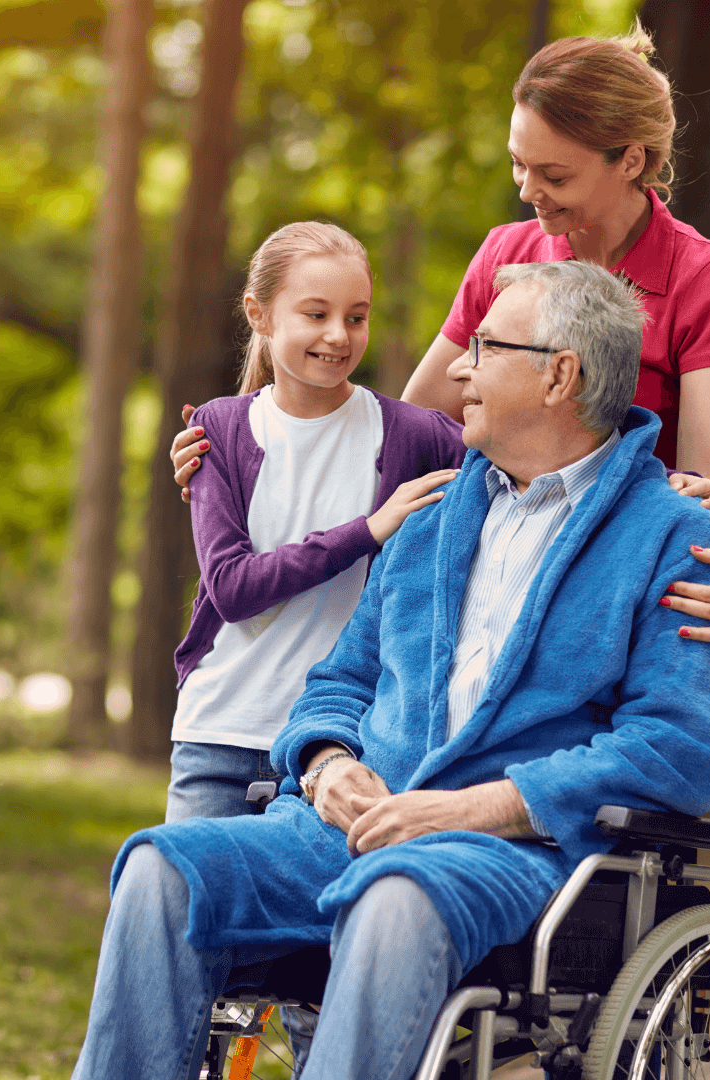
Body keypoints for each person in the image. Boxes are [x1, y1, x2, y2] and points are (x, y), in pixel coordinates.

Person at [71, 260, 710, 1080]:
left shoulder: (676, 536)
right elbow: (338, 682)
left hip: (514, 851)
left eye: (485, 346)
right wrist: (326, 764)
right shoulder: (432, 517)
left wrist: (475, 808)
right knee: (161, 870)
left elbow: (674, 749)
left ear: (559, 375)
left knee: (396, 894)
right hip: (346, 829)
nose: (457, 368)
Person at [172, 24, 710, 669]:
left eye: (554, 173)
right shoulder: (505, 254)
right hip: (497, 567)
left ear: (629, 158)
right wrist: (245, 444)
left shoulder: (704, 276)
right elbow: (409, 425)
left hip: (618, 573)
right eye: (518, 162)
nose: (526, 188)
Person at [163, 220, 462, 826]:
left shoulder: (411, 433)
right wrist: (369, 530)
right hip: (221, 734)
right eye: (315, 314)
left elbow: (531, 470)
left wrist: (660, 477)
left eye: (356, 317)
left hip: (339, 747)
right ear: (260, 315)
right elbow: (233, 588)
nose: (338, 335)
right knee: (188, 909)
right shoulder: (219, 429)